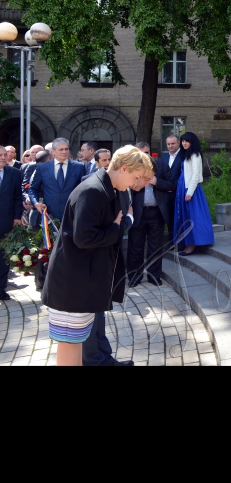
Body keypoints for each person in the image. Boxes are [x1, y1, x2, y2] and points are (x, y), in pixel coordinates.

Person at [42, 146, 150, 367]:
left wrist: (115, 227)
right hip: (73, 282)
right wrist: (115, 228)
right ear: (124, 167)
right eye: (136, 177)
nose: (134, 184)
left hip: (82, 282)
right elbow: (84, 237)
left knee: (75, 340)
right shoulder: (93, 190)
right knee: (69, 342)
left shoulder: (107, 189)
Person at [127, 143, 175, 287]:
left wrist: (156, 181)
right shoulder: (131, 168)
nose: (145, 156)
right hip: (138, 213)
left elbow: (171, 184)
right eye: (141, 153)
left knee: (156, 247)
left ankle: (154, 277)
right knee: (135, 247)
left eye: (146, 152)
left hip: (156, 212)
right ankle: (134, 277)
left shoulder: (161, 166)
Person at [175, 133, 215, 257]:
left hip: (190, 189)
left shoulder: (195, 155)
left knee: (193, 216)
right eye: (183, 141)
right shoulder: (184, 154)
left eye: (187, 141)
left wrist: (190, 192)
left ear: (192, 142)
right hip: (182, 186)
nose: (184, 143)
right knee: (185, 216)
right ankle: (188, 243)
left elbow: (196, 175)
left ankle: (193, 244)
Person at [29, 138, 85, 222]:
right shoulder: (42, 168)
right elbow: (33, 189)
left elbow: (84, 189)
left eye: (66, 149)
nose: (64, 152)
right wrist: (36, 203)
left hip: (72, 215)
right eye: (61, 149)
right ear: (53, 152)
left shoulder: (79, 167)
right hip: (49, 215)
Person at [0, 146, 24, 303]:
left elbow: (17, 197)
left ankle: (1, 288)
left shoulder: (15, 173)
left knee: (3, 257)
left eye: (4, 154)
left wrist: (17, 217)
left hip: (6, 221)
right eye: (0, 155)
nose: (3, 157)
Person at [166, 135, 183, 241]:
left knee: (180, 217)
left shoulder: (184, 156)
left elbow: (184, 174)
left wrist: (173, 186)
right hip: (167, 193)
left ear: (178, 143)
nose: (170, 146)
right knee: (169, 217)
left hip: (180, 191)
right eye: (168, 144)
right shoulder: (164, 157)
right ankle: (171, 240)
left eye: (173, 143)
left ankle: (181, 241)